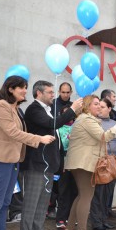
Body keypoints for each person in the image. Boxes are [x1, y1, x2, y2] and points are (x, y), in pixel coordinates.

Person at [0, 76, 55, 230]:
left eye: (25, 87)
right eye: (21, 87)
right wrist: (39, 139)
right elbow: (12, 132)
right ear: (11, 89)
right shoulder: (1, 106)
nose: (24, 91)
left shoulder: (16, 108)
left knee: (5, 205)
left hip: (12, 161)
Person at [20, 81, 81, 230]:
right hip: (35, 165)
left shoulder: (47, 109)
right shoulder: (34, 109)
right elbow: (52, 124)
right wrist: (72, 109)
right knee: (31, 205)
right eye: (49, 92)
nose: (53, 95)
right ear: (39, 93)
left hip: (47, 166)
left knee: (41, 205)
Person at [63, 95, 116, 230]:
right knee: (86, 197)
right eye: (96, 104)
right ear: (87, 106)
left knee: (81, 196)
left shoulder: (87, 119)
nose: (99, 106)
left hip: (82, 163)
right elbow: (104, 137)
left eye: (100, 104)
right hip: (83, 163)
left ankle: (69, 228)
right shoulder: (86, 119)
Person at [89, 98, 116, 230]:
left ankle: (104, 219)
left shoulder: (115, 123)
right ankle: (96, 222)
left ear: (110, 109)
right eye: (98, 106)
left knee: (108, 193)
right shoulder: (94, 122)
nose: (99, 108)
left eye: (103, 107)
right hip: (100, 162)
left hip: (113, 161)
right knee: (98, 193)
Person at [48, 82, 74, 220]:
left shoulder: (74, 106)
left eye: (67, 92)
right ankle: (51, 207)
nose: (65, 95)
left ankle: (64, 211)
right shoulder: (53, 105)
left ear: (71, 92)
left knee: (66, 185)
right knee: (55, 181)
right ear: (59, 91)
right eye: (63, 92)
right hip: (55, 148)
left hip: (69, 151)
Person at [55, 105, 78, 230]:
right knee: (63, 191)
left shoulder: (77, 127)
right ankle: (61, 219)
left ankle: (71, 217)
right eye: (66, 114)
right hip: (63, 162)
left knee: (75, 191)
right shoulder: (58, 129)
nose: (69, 117)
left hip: (76, 162)